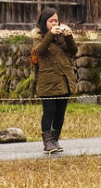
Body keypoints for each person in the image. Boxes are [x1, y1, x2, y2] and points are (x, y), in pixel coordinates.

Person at [31, 9, 76, 155]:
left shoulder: (61, 36)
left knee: (60, 112)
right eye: (51, 21)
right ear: (44, 22)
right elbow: (41, 51)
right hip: (48, 81)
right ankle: (47, 142)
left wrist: (68, 37)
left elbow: (73, 51)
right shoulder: (39, 36)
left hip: (64, 79)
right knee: (49, 111)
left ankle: (55, 139)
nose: (54, 23)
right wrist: (50, 34)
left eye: (56, 20)